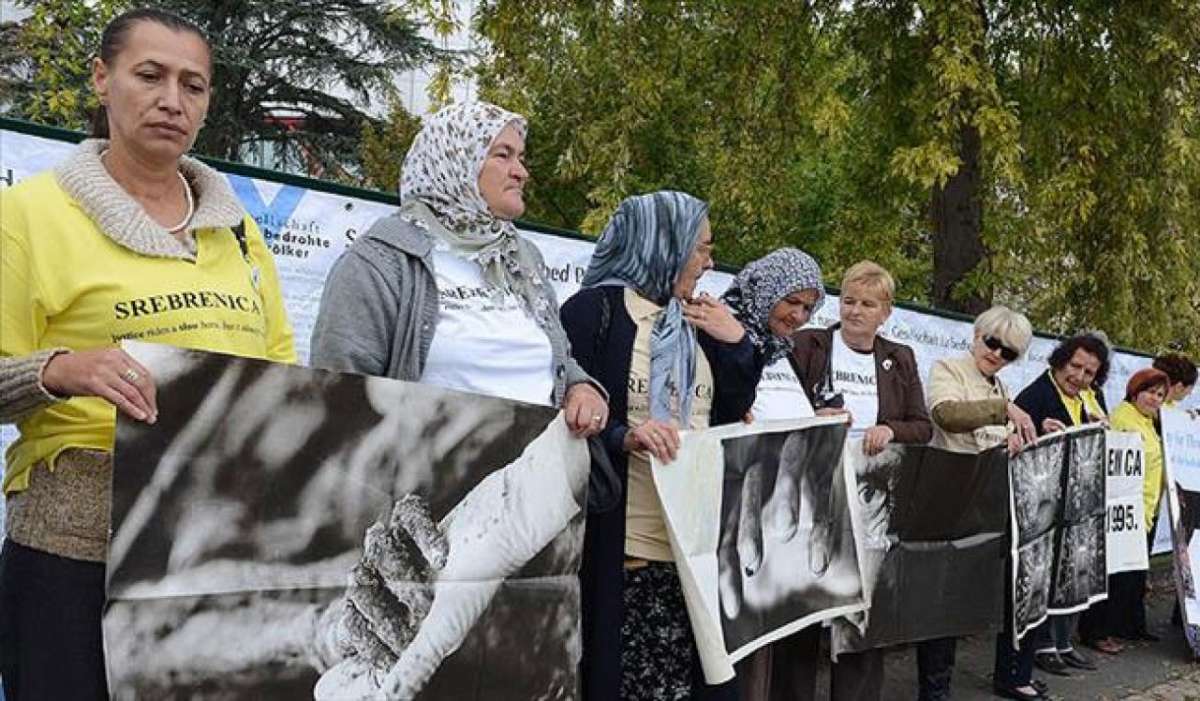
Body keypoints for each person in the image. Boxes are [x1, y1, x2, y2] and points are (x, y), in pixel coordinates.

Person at [0, 8, 296, 699]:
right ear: (102, 79)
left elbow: (280, 368)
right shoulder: (28, 216)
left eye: (193, 85)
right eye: (150, 75)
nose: (172, 99)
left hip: (218, 559)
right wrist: (59, 369)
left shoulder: (239, 233)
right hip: (74, 562)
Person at [559, 191, 759, 701]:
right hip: (624, 548)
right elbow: (563, 410)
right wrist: (625, 435)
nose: (709, 263)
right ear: (662, 245)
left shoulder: (699, 320)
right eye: (701, 249)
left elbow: (732, 412)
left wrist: (737, 343)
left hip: (695, 552)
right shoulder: (593, 312)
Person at [309, 100, 608, 437]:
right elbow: (337, 391)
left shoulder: (521, 259)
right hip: (428, 483)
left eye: (520, 157)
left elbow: (554, 360)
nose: (521, 172)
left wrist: (581, 388)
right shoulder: (381, 261)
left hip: (534, 479)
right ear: (455, 160)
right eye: (502, 154)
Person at [786, 260, 934, 701]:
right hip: (811, 496)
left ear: (885, 312)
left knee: (862, 614)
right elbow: (777, 403)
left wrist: (891, 429)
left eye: (868, 304)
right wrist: (812, 419)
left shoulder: (900, 357)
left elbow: (921, 426)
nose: (855, 311)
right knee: (803, 609)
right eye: (848, 300)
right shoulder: (808, 344)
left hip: (872, 505)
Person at [717, 248, 825, 700]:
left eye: (808, 307)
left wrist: (819, 418)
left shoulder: (780, 348)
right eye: (791, 303)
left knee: (762, 637)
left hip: (769, 512)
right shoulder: (723, 331)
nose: (798, 316)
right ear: (766, 291)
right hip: (727, 509)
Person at [923, 306, 1037, 701]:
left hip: (985, 505)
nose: (996, 354)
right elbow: (946, 415)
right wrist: (1002, 411)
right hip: (949, 499)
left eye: (1008, 352)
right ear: (977, 335)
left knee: (961, 604)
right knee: (942, 607)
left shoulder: (1000, 387)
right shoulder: (948, 368)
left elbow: (994, 441)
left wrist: (1014, 441)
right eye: (992, 343)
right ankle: (934, 692)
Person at [997, 333, 1110, 697]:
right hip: (1033, 515)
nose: (1079, 376)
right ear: (1060, 361)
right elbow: (1013, 439)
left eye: (1089, 372)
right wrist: (1036, 431)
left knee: (1045, 595)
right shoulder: (1037, 393)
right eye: (1075, 366)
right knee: (1025, 595)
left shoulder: (1087, 400)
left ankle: (1025, 669)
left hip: (1064, 512)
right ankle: (1013, 675)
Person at [1104, 368, 1172, 645]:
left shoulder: (1150, 421)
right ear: (1135, 391)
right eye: (1149, 392)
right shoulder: (1123, 417)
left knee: (1135, 575)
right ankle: (1104, 630)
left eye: (1159, 395)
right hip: (1126, 510)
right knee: (1118, 577)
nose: (1154, 399)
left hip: (1146, 509)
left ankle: (1130, 625)